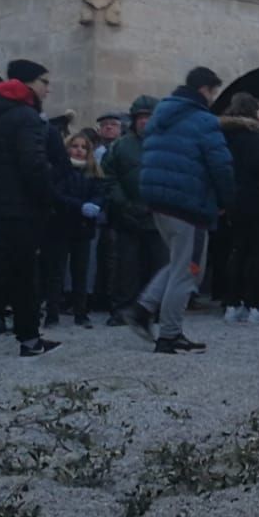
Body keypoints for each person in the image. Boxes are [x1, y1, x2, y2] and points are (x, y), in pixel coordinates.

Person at [124, 67, 235, 354]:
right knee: (189, 271)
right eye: (213, 92)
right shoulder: (203, 120)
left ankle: (143, 308)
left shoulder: (163, 114)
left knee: (178, 264)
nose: (213, 99)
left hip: (160, 201)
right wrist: (226, 200)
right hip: (190, 204)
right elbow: (220, 165)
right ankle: (169, 334)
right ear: (204, 90)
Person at [0, 59, 61, 357]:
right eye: (44, 81)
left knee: (23, 274)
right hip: (19, 208)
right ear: (29, 83)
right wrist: (50, 197)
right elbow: (33, 165)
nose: (48, 88)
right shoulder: (25, 116)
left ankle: (29, 338)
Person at [101, 95, 164, 326]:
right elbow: (109, 178)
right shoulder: (120, 146)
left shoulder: (165, 145)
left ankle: (153, 309)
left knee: (158, 265)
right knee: (126, 266)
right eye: (141, 117)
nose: (145, 122)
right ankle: (122, 309)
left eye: (149, 117)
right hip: (127, 214)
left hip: (157, 215)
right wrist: (124, 204)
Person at [218, 93, 259, 324]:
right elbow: (256, 167)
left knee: (237, 251)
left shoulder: (225, 135)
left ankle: (232, 303)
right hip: (254, 198)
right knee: (257, 253)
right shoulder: (251, 137)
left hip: (235, 198)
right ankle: (256, 304)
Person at [41, 133, 106, 327]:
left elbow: (100, 193)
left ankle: (81, 313)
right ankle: (52, 314)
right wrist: (80, 206)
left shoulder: (93, 172)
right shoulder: (59, 171)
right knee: (56, 272)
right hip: (60, 226)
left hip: (83, 228)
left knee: (81, 272)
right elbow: (56, 195)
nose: (79, 150)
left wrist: (95, 204)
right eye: (75, 146)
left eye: (84, 147)